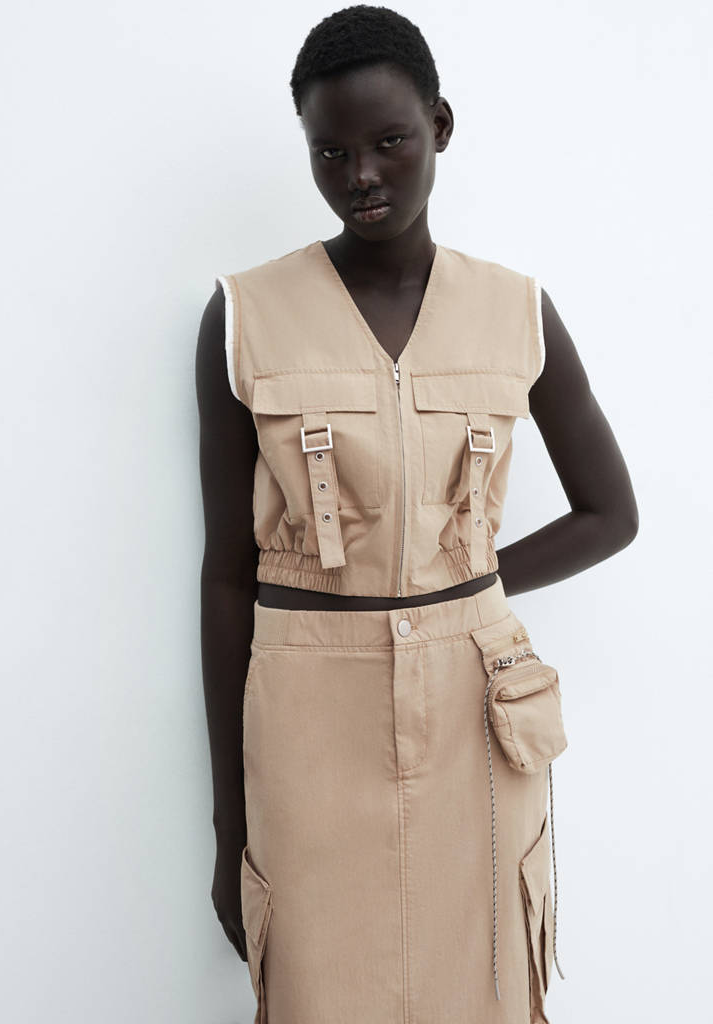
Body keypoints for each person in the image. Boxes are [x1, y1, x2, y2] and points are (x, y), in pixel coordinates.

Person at [195, 5, 638, 1022]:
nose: (361, 174)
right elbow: (225, 576)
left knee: (483, 990)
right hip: (306, 720)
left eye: (389, 140)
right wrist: (229, 825)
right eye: (330, 152)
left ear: (439, 126)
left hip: (476, 716)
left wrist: (459, 584)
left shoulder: (516, 310)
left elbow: (609, 514)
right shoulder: (244, 315)